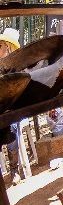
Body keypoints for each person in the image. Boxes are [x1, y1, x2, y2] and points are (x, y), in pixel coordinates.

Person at [0, 28, 21, 185]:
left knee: (12, 126)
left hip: (12, 108)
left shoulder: (15, 66)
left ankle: (14, 170)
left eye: (1, 46)